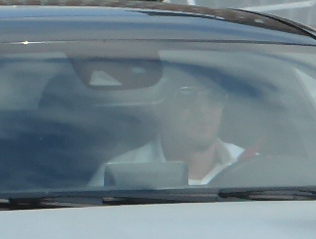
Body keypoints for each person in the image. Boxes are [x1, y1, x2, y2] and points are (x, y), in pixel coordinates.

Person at [93, 76, 245, 186]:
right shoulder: (118, 174)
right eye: (186, 96)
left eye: (214, 97)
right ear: (160, 109)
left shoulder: (252, 167)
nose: (202, 110)